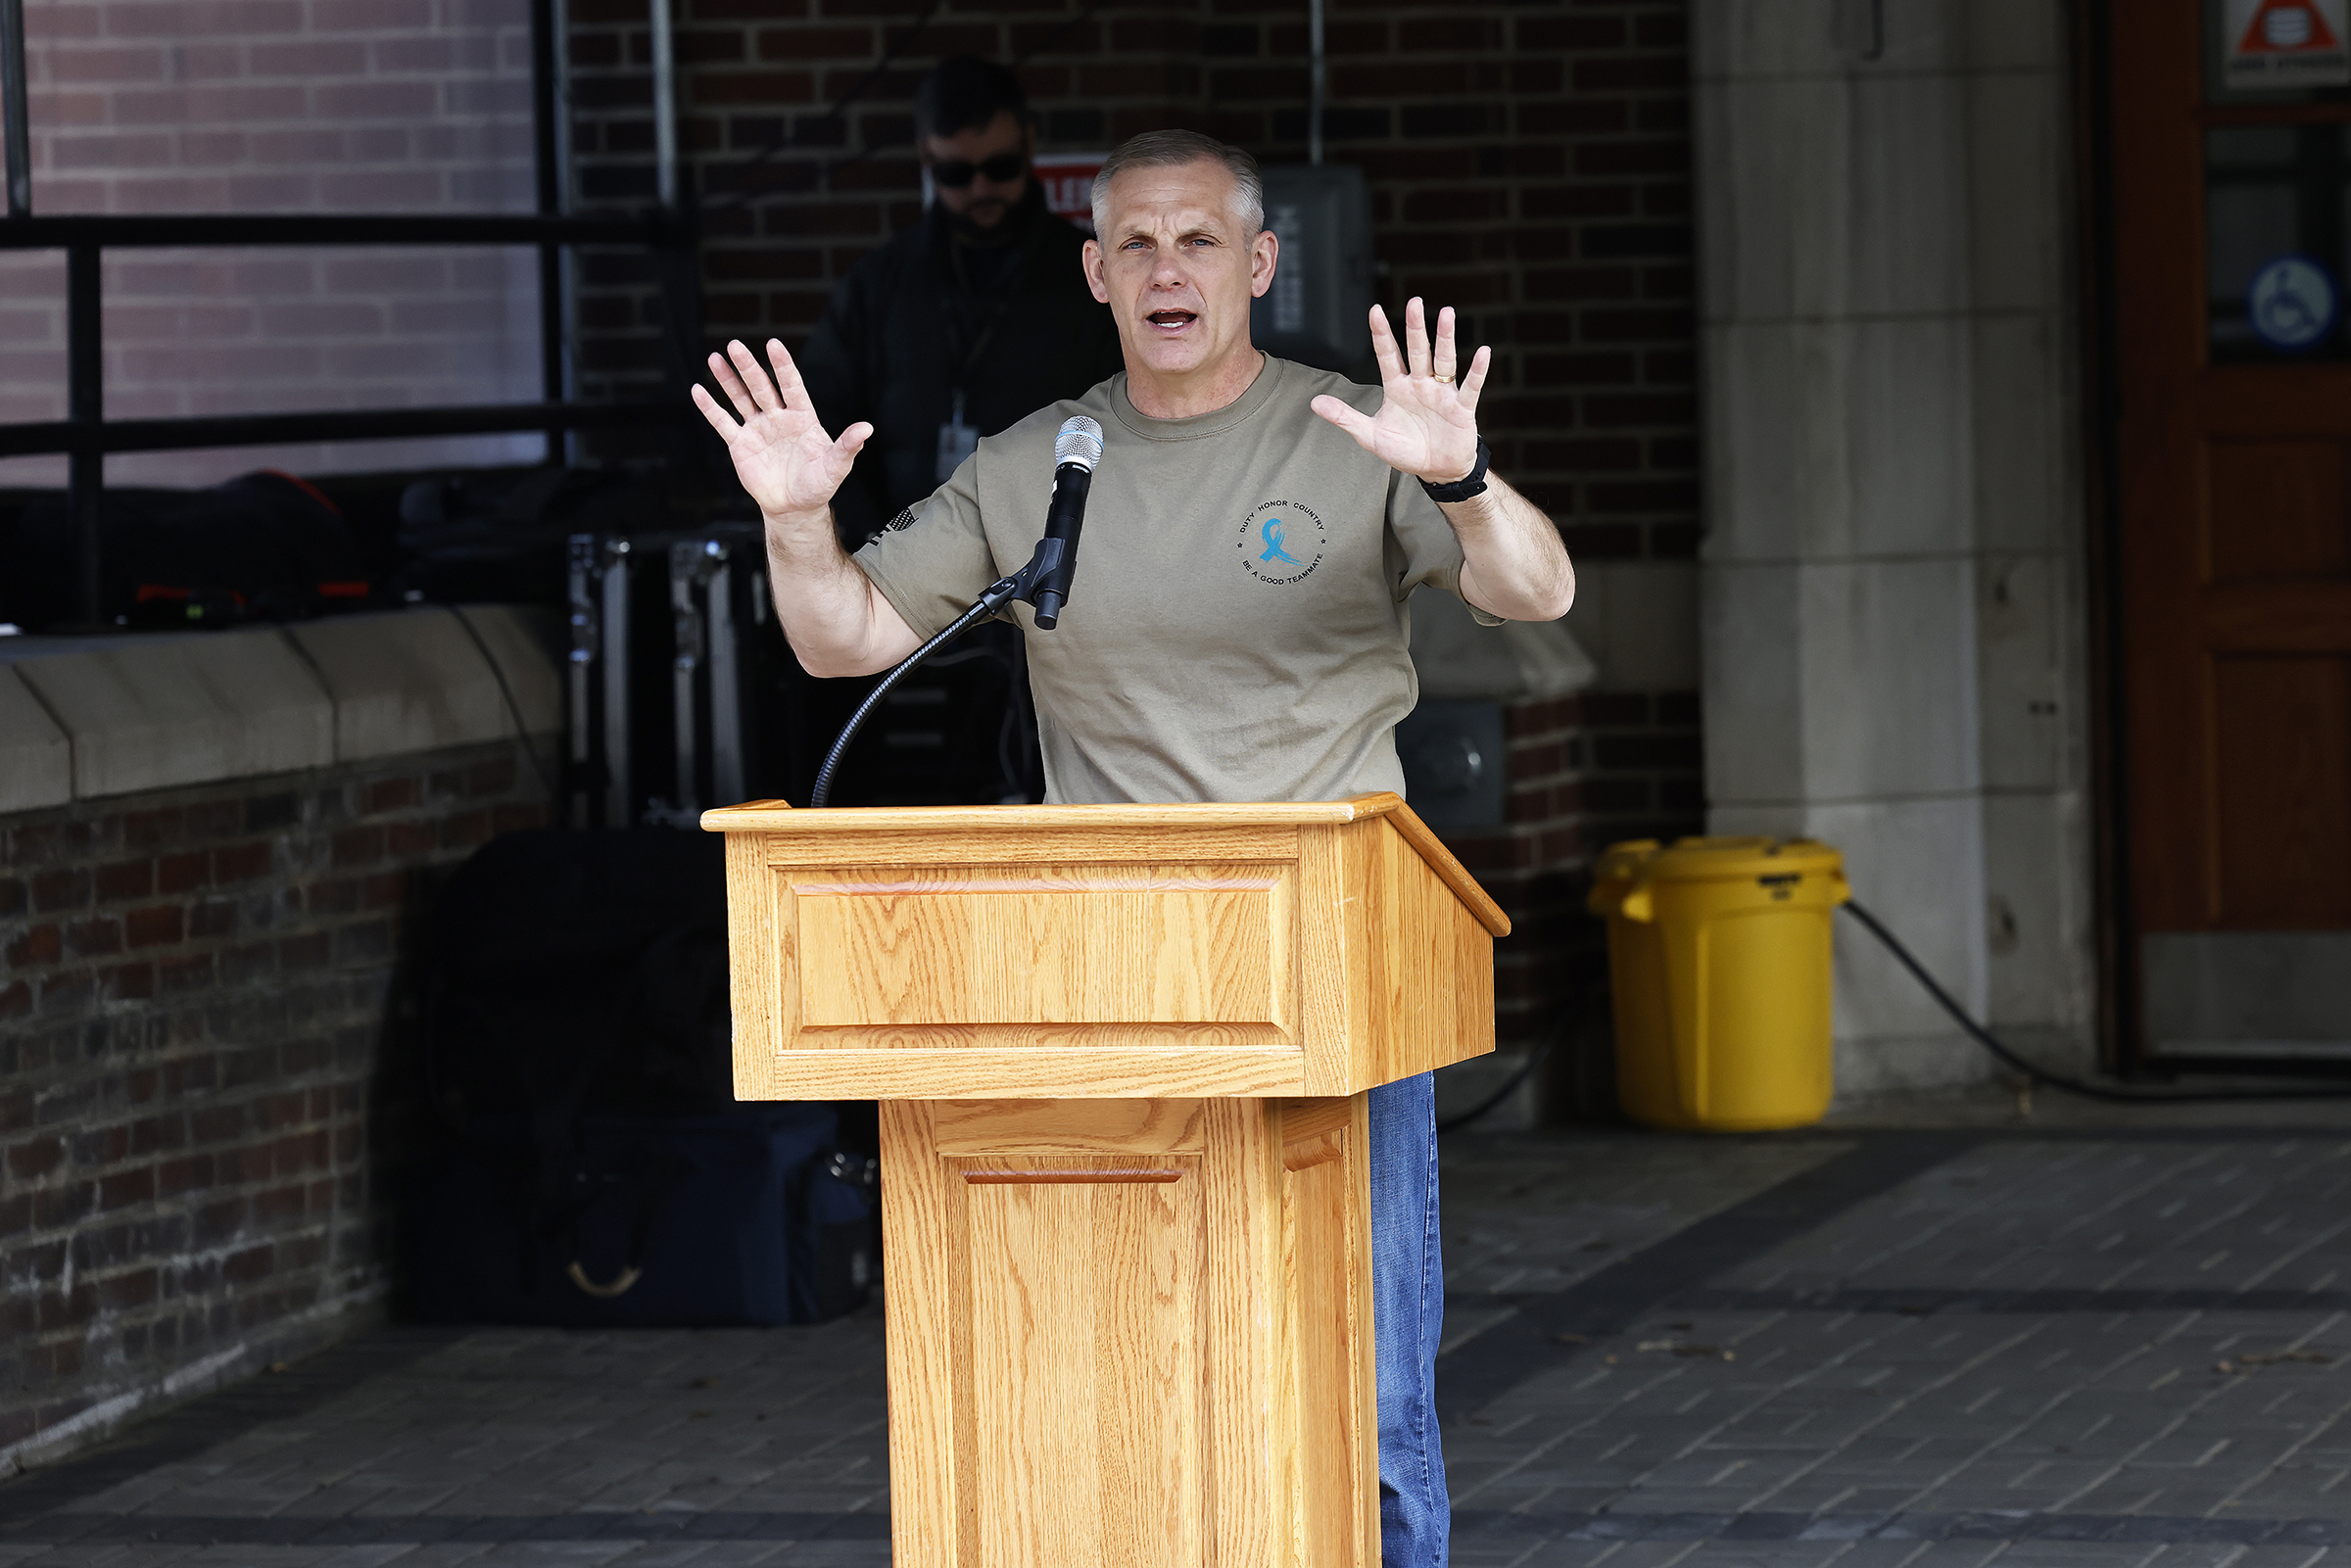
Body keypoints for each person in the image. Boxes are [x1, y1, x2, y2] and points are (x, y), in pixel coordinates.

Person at [692, 129, 1574, 1568]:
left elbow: (1537, 593)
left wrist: (1467, 481)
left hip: (1333, 970)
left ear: (1259, 264)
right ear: (1096, 274)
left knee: (1365, 1403)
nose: (1172, 269)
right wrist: (798, 519)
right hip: (1098, 981)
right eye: (1140, 245)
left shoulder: (1357, 433)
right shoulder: (1045, 461)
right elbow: (843, 638)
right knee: (1119, 1383)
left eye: (1204, 240)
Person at [793, 56, 1123, 550]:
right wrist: (874, 540)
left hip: (1058, 562)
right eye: (955, 173)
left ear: (1030, 145)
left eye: (1001, 166)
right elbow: (822, 419)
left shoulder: (1092, 275)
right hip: (908, 565)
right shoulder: (879, 282)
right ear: (928, 161)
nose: (981, 188)